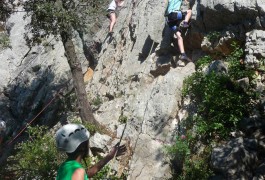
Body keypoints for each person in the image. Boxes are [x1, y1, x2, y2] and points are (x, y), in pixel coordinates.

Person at [55, 124, 126, 180]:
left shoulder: (64, 166)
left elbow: (87, 174)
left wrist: (109, 156)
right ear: (82, 147)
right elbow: (80, 174)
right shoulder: (78, 172)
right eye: (87, 142)